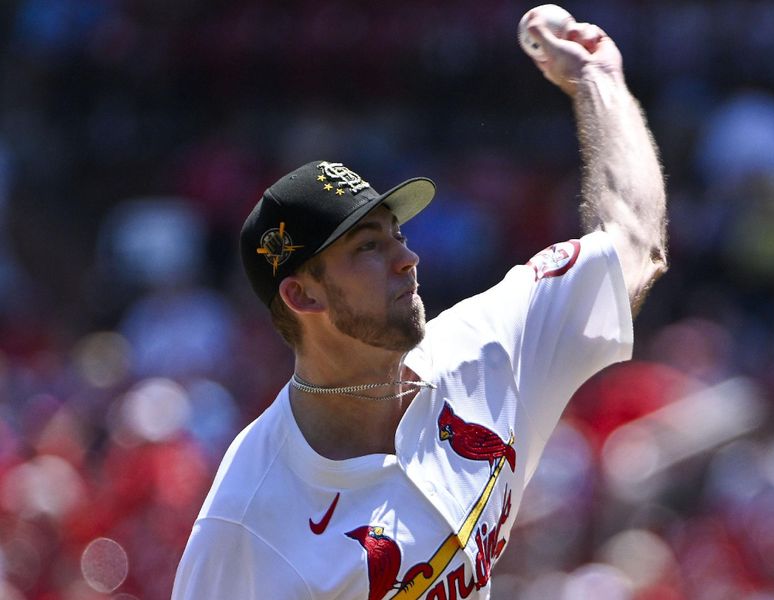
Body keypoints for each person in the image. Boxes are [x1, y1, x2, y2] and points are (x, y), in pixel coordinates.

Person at [172, 6, 668, 599]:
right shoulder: (245, 524)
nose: (407, 259)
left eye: (398, 235)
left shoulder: (485, 352)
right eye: (368, 248)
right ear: (301, 293)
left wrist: (598, 80)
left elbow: (636, 242)